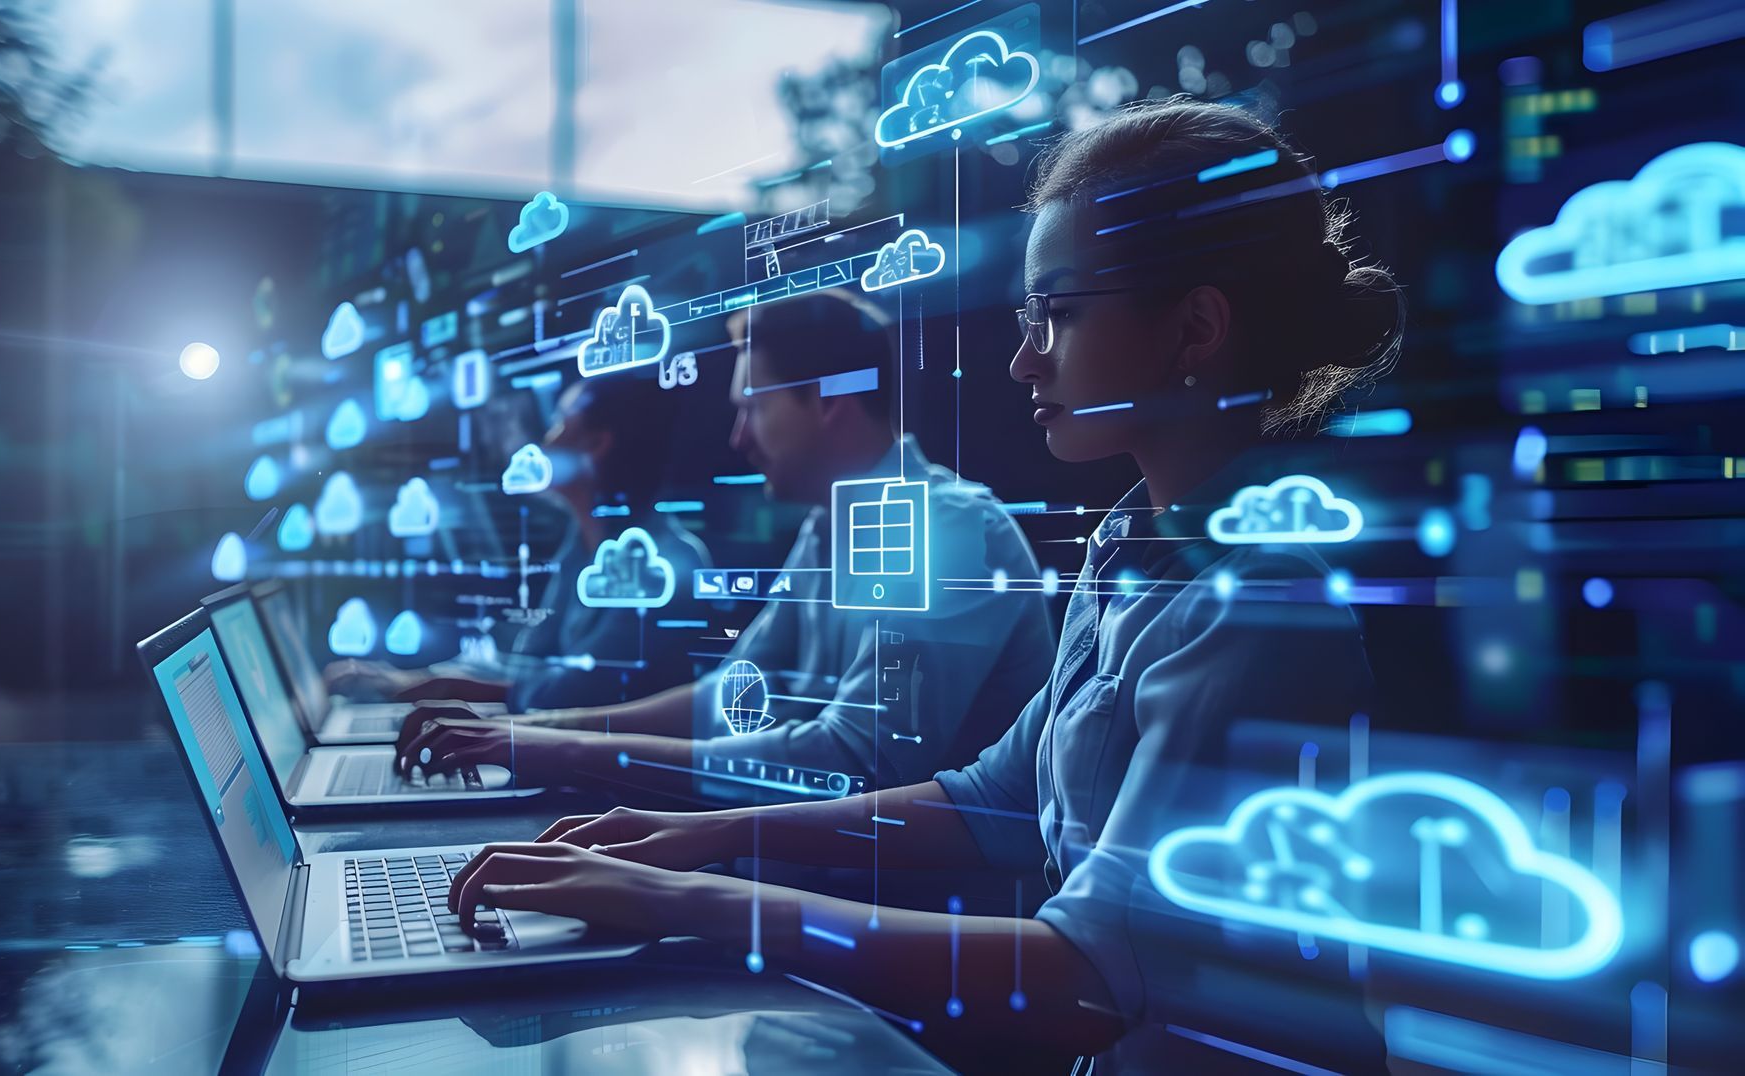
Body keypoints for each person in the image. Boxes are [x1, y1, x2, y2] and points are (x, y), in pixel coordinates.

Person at [420, 99, 1405, 1070]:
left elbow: (1091, 974)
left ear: (1193, 329)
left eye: (1057, 315)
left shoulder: (1258, 606)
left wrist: (685, 892)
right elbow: (994, 793)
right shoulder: (1128, 546)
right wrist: (685, 834)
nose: (1025, 356)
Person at [393, 290, 1055, 801]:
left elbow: (859, 762)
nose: (739, 438)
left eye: (754, 408)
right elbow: (733, 697)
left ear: (829, 402)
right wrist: (528, 734)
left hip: (908, 947)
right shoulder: (835, 524)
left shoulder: (942, 530)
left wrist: (548, 748)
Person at [326, 372, 710, 712]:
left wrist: (442, 687)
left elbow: (579, 691)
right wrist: (415, 678)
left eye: (560, 422)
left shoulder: (666, 567)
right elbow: (532, 660)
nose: (547, 438)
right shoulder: (581, 549)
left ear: (595, 444)